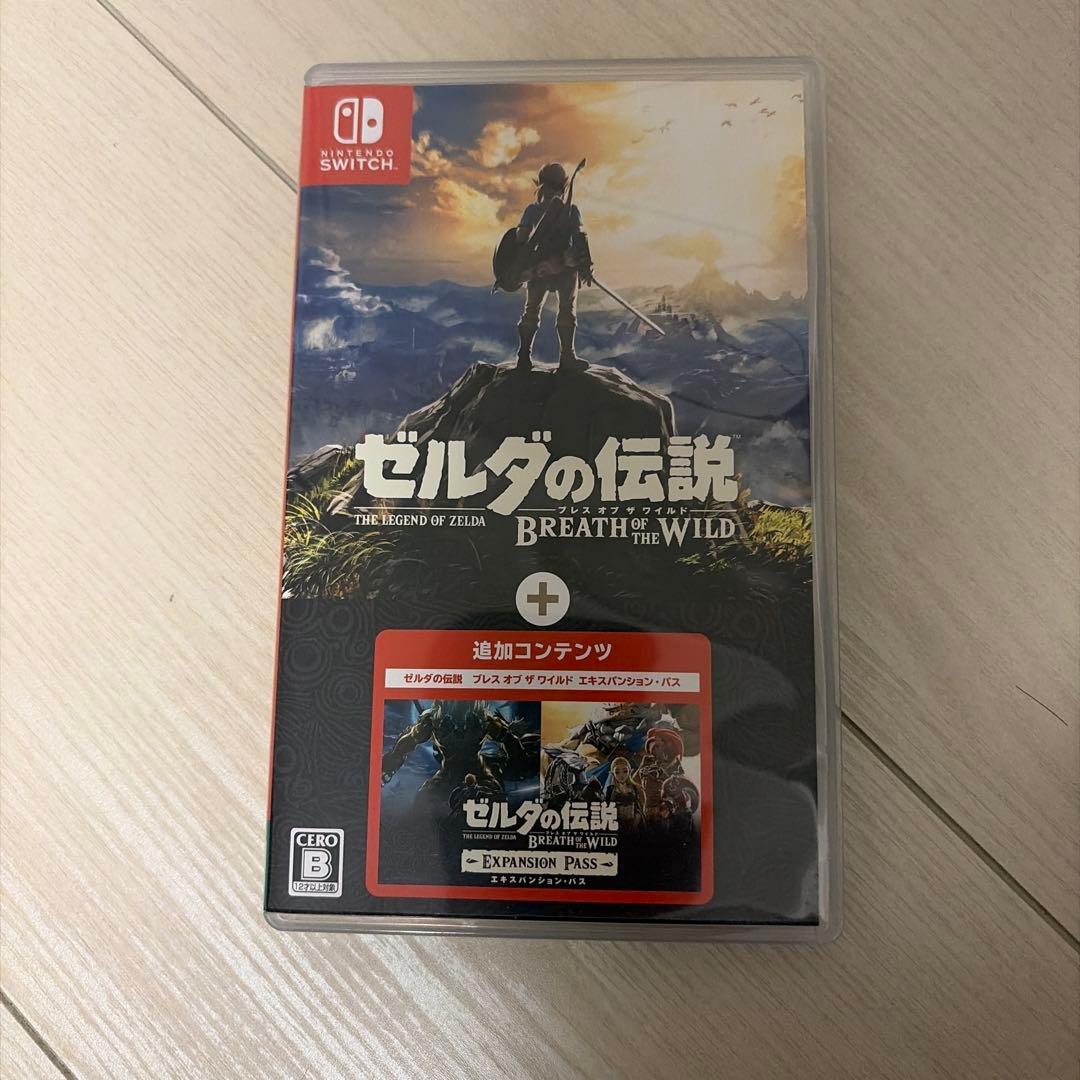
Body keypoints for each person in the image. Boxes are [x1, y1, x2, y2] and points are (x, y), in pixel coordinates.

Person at [514, 162, 593, 374]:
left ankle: (524, 357)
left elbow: (520, 238)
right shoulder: (571, 210)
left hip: (540, 269)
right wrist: (584, 265)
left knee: (532, 310)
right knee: (566, 310)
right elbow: (579, 239)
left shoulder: (532, 210)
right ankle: (567, 357)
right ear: (563, 185)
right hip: (563, 268)